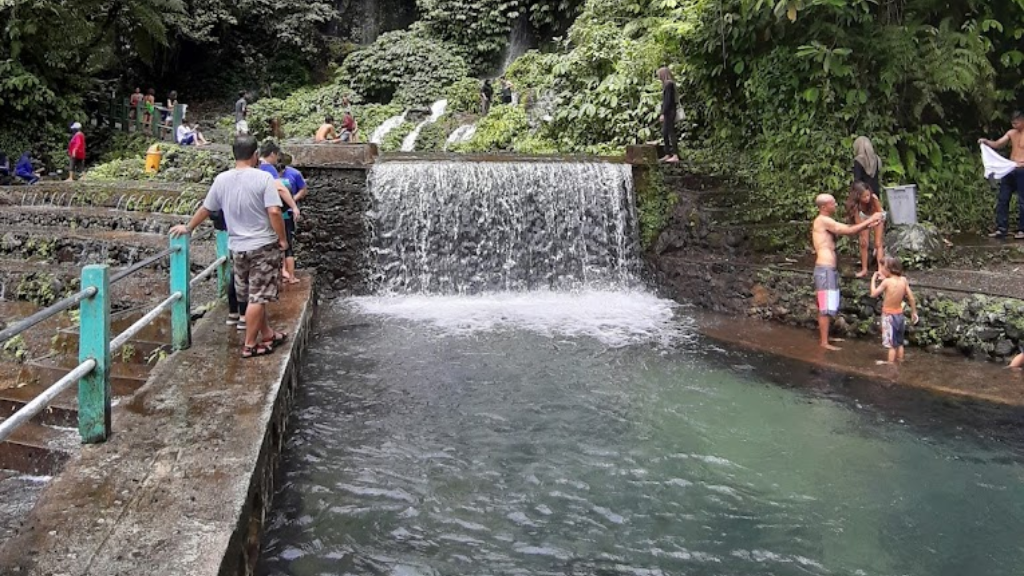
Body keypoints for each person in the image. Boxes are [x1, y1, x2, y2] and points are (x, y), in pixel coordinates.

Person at [170, 135, 289, 358]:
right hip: (262, 245)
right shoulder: (264, 178)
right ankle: (250, 345)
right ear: (255, 155)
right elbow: (274, 211)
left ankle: (268, 334)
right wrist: (282, 239)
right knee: (258, 297)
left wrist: (188, 227)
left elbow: (207, 208)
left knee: (253, 295)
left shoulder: (221, 179)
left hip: (237, 248)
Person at [812, 193, 883, 350]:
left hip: (828, 269)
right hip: (824, 269)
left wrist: (867, 225)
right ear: (824, 207)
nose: (836, 205)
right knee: (825, 305)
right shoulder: (822, 220)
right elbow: (847, 230)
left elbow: (849, 228)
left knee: (829, 303)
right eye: (833, 203)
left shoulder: (826, 221)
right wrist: (870, 220)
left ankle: (826, 337)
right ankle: (824, 342)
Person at [979, 111, 1024, 239]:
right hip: (1010, 168)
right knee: (1003, 198)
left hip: (1022, 169)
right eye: (1013, 123)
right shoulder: (1011, 133)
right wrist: (986, 142)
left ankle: (1022, 230)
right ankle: (1001, 228)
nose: (1014, 125)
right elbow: (998, 144)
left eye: (1017, 122)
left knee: (1022, 201)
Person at [869, 256, 919, 365]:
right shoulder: (903, 280)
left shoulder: (886, 282)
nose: (881, 269)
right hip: (899, 315)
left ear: (888, 269)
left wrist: (873, 280)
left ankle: (890, 364)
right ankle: (900, 361)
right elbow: (911, 297)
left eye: (883, 267)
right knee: (899, 343)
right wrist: (913, 312)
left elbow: (873, 294)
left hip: (889, 316)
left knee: (891, 345)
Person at [845, 181, 886, 278]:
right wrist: (867, 226)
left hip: (877, 216)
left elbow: (880, 213)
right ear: (858, 196)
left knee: (878, 243)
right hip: (863, 219)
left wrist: (875, 222)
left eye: (868, 195)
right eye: (864, 197)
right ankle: (864, 269)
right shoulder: (855, 206)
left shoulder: (873, 198)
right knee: (863, 243)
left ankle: (881, 270)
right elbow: (859, 225)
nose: (867, 198)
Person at [276, 158, 307, 284]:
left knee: (285, 244)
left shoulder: (294, 174)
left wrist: (292, 201)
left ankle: (288, 274)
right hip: (279, 215)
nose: (280, 174)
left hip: (285, 214)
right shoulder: (273, 178)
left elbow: (304, 189)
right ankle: (287, 274)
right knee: (285, 245)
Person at [257, 141, 302, 220]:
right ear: (272, 154)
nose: (277, 158)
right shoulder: (268, 168)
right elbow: (280, 188)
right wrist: (294, 207)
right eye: (277, 155)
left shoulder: (255, 165)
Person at [657, 66, 679, 164]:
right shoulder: (668, 84)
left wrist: (663, 113)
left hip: (669, 112)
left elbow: (667, 101)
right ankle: (668, 153)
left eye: (659, 75)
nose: (658, 77)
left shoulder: (669, 84)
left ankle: (675, 155)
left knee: (670, 132)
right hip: (669, 111)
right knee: (665, 132)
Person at [852, 136, 881, 202]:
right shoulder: (876, 158)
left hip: (863, 194)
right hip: (875, 192)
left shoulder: (858, 160)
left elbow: (857, 180)